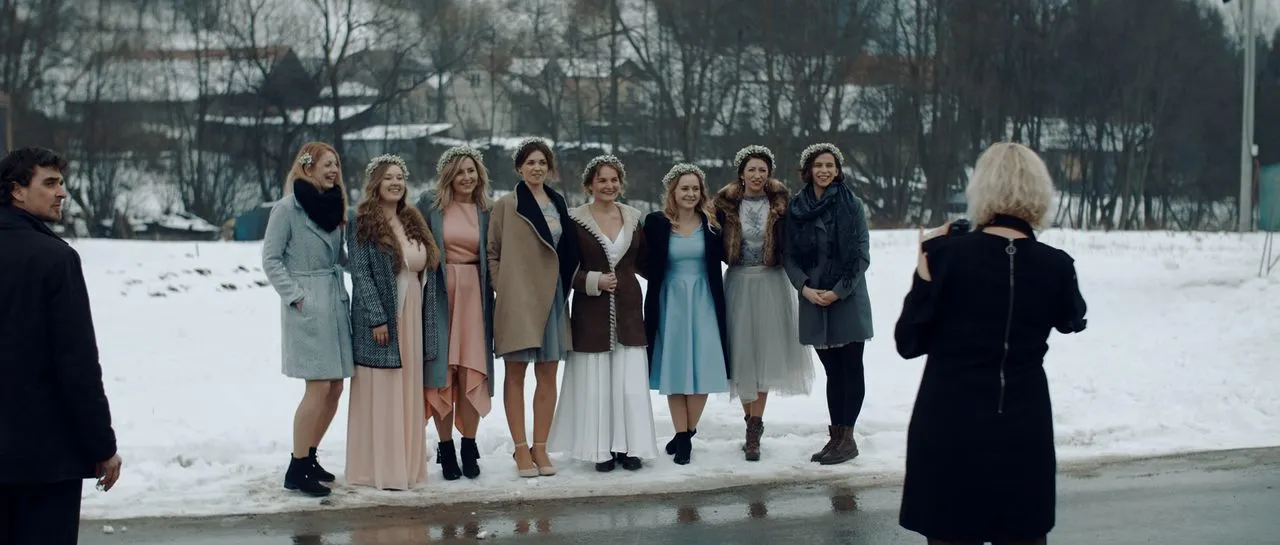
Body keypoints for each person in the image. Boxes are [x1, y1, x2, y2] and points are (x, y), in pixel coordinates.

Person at [894, 142, 1088, 545]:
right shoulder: (1056, 265)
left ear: (980, 189)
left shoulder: (944, 255)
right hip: (1022, 424)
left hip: (949, 422)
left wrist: (927, 271)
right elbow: (1072, 319)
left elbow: (909, 342)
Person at [0, 147, 121, 545]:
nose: (62, 193)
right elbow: (77, 364)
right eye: (50, 183)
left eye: (61, 183)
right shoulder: (54, 259)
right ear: (17, 190)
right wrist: (102, 446)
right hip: (43, 459)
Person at [548, 154, 657, 472]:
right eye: (602, 180)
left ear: (621, 183)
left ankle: (630, 447)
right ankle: (601, 449)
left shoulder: (634, 218)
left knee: (629, 383)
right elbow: (563, 268)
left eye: (614, 180)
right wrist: (592, 281)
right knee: (596, 385)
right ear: (589, 185)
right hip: (591, 313)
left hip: (629, 311)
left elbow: (648, 263)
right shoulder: (574, 220)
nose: (609, 185)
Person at [261, 141, 355, 497]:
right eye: (326, 164)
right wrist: (296, 297)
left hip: (334, 299)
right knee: (317, 387)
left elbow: (340, 255)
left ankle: (309, 456)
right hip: (308, 304)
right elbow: (271, 259)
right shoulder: (287, 208)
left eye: (336, 165)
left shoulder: (334, 206)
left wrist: (372, 261)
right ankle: (297, 466)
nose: (334, 171)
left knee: (335, 387)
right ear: (308, 167)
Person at [345, 154, 439, 491]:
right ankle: (378, 469)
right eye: (388, 177)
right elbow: (361, 273)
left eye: (400, 177)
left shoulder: (412, 220)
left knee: (407, 389)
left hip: (412, 312)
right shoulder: (363, 222)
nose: (396, 182)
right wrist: (377, 318)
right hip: (384, 317)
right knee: (384, 389)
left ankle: (406, 467)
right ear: (375, 183)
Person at [714, 145, 814, 462]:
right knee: (743, 355)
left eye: (763, 169)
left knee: (766, 355)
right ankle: (750, 423)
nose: (757, 175)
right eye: (752, 169)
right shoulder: (725, 204)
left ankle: (755, 427)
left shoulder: (782, 204)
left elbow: (797, 241)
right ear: (741, 173)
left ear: (769, 173)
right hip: (739, 281)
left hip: (771, 282)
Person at [487, 137, 578, 477]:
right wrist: (504, 286)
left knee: (548, 373)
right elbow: (492, 251)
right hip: (518, 298)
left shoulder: (559, 203)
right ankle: (520, 447)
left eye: (542, 163)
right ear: (519, 167)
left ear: (549, 168)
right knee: (516, 373)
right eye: (530, 163)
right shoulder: (506, 205)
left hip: (552, 295)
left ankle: (540, 447)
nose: (537, 168)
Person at [782, 142, 872, 466]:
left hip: (847, 296)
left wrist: (838, 291)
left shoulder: (852, 205)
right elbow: (788, 254)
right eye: (818, 165)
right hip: (813, 297)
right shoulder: (796, 208)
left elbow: (861, 255)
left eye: (829, 165)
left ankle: (848, 438)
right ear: (808, 170)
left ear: (837, 170)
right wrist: (804, 288)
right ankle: (836, 436)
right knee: (833, 371)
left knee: (851, 367)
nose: (824, 170)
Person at [641, 163, 730, 465]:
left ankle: (686, 433)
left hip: (705, 301)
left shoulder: (713, 225)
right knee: (676, 368)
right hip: (670, 302)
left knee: (703, 367)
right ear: (673, 191)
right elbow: (642, 259)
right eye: (684, 188)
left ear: (702, 192)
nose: (690, 193)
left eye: (695, 188)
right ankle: (682, 438)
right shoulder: (656, 223)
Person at [419, 146, 496, 480]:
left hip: (475, 294)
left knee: (471, 370)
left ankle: (468, 444)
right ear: (448, 175)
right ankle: (445, 446)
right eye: (460, 172)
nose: (466, 177)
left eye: (471, 171)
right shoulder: (431, 206)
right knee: (442, 371)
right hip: (440, 293)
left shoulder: (487, 210)